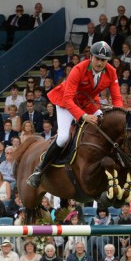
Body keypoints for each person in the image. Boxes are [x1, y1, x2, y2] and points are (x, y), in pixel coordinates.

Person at [27, 41, 122, 188]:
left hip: (88, 103)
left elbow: (116, 98)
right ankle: (40, 169)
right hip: (66, 103)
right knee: (64, 137)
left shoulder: (111, 72)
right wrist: (83, 116)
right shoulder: (78, 69)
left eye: (103, 60)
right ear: (91, 57)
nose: (99, 62)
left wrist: (118, 117)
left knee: (106, 127)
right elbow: (68, 99)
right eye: (97, 58)